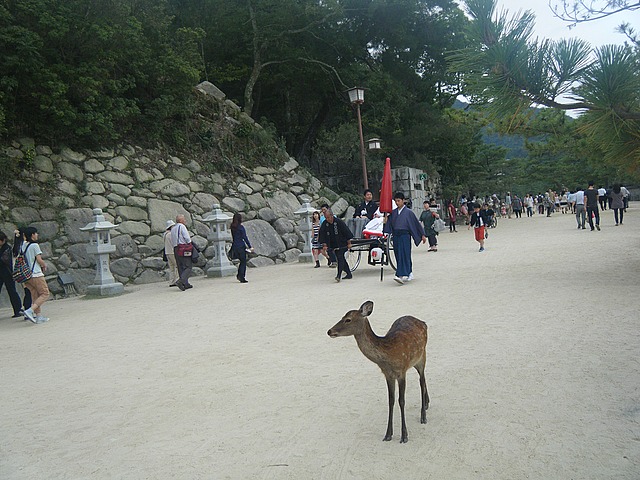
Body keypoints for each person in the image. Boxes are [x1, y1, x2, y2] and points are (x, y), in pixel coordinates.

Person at [383, 192, 427, 284]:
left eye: (399, 201)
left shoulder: (409, 212)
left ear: (403, 201)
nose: (397, 203)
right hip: (396, 236)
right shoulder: (393, 213)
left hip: (405, 236)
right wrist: (386, 221)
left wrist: (422, 234)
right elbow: (389, 223)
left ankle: (401, 274)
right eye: (396, 201)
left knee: (405, 254)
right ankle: (408, 272)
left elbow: (415, 224)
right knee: (398, 255)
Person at [20, 227, 49, 323]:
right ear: (32, 235)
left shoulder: (23, 245)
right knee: (45, 293)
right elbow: (39, 259)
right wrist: (44, 265)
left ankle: (38, 316)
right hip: (36, 274)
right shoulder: (35, 245)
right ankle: (30, 310)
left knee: (35, 295)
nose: (37, 235)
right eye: (36, 233)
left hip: (27, 275)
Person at [319, 208, 353, 282]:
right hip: (333, 244)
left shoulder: (339, 222)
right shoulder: (325, 223)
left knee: (340, 258)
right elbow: (322, 234)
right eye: (326, 218)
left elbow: (346, 232)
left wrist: (349, 243)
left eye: (328, 217)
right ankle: (349, 274)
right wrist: (324, 245)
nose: (327, 219)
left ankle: (338, 275)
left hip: (342, 243)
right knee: (341, 259)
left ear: (332, 215)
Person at [0, 231, 23, 318]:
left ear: (3, 240)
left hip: (7, 272)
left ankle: (18, 310)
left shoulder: (7, 248)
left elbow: (5, 260)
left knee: (11, 291)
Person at [170, 214, 193, 290]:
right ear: (181, 220)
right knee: (188, 266)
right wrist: (189, 243)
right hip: (183, 248)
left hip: (175, 248)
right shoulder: (182, 226)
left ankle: (185, 283)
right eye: (184, 219)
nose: (185, 220)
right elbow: (187, 238)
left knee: (180, 266)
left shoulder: (173, 228)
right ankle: (181, 281)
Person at [230, 213, 254, 283]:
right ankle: (241, 276)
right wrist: (250, 246)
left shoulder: (232, 227)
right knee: (243, 261)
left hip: (235, 246)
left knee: (241, 261)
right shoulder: (241, 227)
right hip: (241, 246)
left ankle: (239, 275)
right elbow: (244, 237)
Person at [13, 228, 32, 311]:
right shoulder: (25, 245)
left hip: (19, 271)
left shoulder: (15, 247)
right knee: (30, 290)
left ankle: (27, 306)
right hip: (26, 270)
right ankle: (28, 308)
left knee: (26, 289)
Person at [163, 220, 179, 287]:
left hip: (167, 252)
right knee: (177, 266)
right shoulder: (170, 234)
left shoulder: (165, 234)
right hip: (172, 252)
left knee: (171, 268)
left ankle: (171, 281)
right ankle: (177, 280)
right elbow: (174, 243)